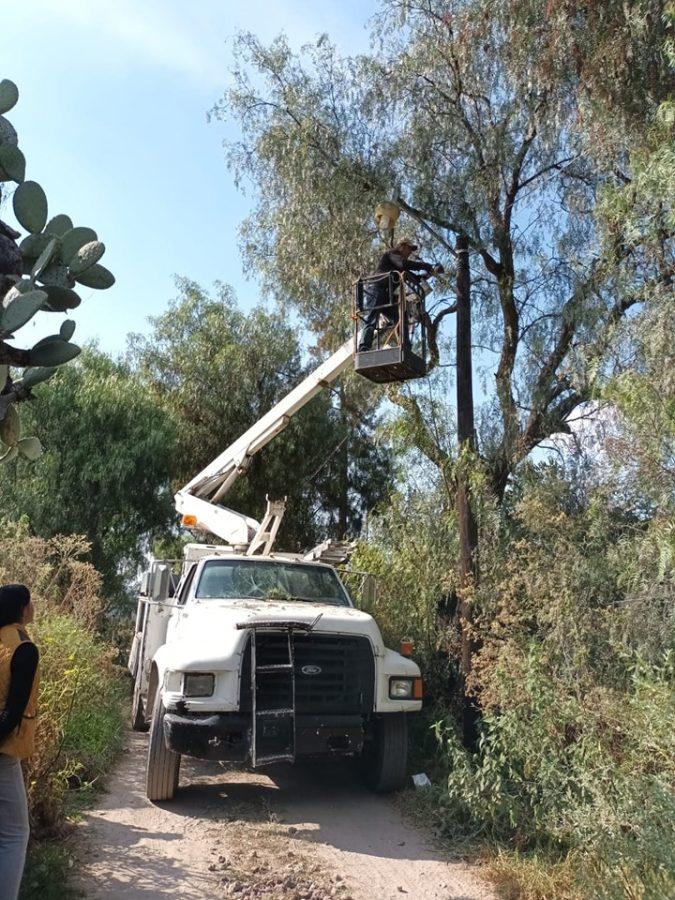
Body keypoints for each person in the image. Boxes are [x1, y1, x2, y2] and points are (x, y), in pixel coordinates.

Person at [0, 584, 39, 900]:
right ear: (23, 609)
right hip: (3, 752)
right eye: (31, 602)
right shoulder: (23, 647)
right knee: (15, 833)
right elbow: (13, 711)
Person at [358, 238, 443, 352]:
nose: (410, 253)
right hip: (376, 290)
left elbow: (414, 278)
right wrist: (424, 265)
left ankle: (405, 347)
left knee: (401, 316)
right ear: (402, 246)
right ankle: (364, 346)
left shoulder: (401, 267)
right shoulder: (391, 254)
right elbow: (404, 264)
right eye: (409, 249)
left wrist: (431, 273)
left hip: (387, 295)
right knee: (373, 318)